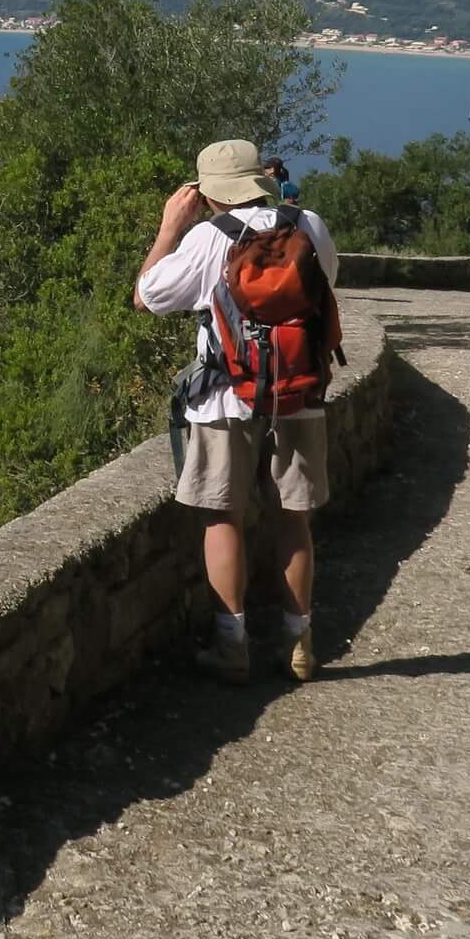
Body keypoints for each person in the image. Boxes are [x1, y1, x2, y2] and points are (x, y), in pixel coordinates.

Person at [134, 139, 341, 684]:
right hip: (299, 392)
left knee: (222, 517)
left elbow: (147, 296)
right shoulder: (308, 224)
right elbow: (329, 285)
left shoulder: (207, 237)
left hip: (226, 397)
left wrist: (169, 228)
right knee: (293, 519)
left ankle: (233, 647)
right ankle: (299, 643)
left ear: (206, 193)